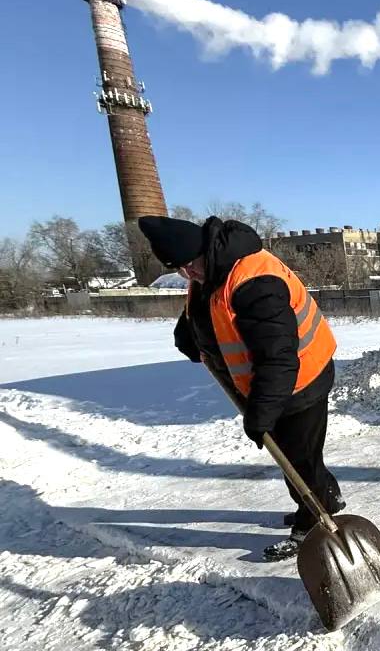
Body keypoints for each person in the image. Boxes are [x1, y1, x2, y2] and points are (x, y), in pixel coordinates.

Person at [138, 215, 344, 561]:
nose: (189, 275)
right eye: (180, 271)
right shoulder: (210, 269)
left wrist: (261, 413)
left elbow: (278, 357)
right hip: (272, 383)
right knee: (297, 455)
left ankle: (312, 524)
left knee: (299, 458)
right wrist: (190, 335)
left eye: (190, 266)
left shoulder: (256, 280)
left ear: (203, 250)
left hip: (301, 379)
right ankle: (326, 498)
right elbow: (204, 309)